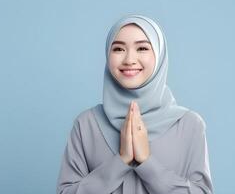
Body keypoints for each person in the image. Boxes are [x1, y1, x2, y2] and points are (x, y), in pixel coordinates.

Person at [56, 14, 214, 194]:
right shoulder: (87, 124)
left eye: (142, 48)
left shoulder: (188, 124)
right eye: (118, 49)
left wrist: (146, 163)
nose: (129, 59)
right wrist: (121, 161)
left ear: (159, 54)